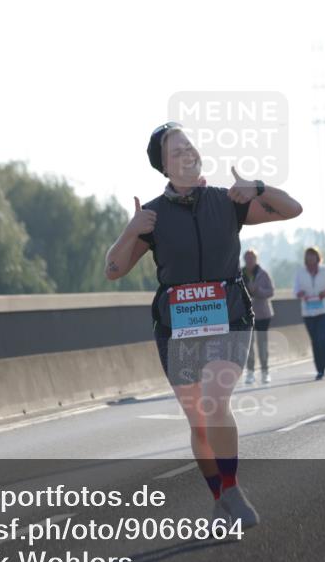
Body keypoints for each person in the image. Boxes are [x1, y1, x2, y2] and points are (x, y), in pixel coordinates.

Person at [104, 122, 303, 526]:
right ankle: (220, 497)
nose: (186, 155)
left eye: (189, 147)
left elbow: (292, 209)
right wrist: (130, 230)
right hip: (175, 326)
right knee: (198, 422)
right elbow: (113, 269)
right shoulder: (154, 217)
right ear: (163, 167)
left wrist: (259, 187)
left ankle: (231, 488)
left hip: (228, 315)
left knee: (216, 402)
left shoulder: (228, 201)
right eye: (176, 152)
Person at [294, 247, 325, 380]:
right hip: (308, 311)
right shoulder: (300, 272)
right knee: (315, 341)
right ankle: (320, 370)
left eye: (313, 256)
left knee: (322, 338)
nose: (310, 258)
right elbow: (296, 289)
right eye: (308, 256)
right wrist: (300, 294)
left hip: (324, 309)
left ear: (317, 257)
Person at [241, 249, 274, 384]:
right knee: (248, 345)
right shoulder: (239, 274)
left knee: (262, 345)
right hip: (245, 315)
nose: (249, 260)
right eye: (247, 258)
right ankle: (250, 373)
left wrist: (258, 290)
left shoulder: (263, 274)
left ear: (256, 259)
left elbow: (271, 291)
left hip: (262, 314)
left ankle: (265, 372)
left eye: (252, 258)